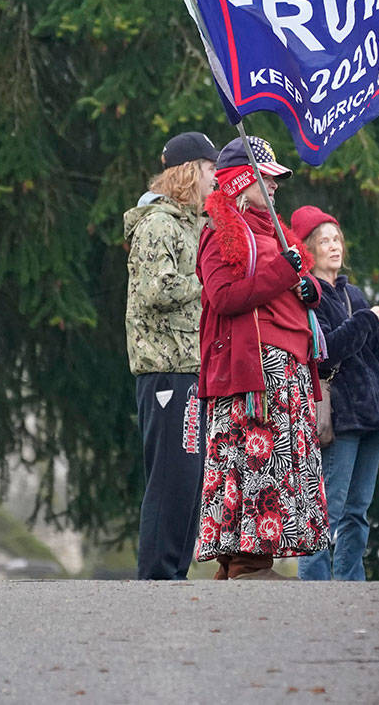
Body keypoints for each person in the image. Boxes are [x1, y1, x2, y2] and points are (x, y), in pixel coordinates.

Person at [194, 136, 328, 580]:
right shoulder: (220, 231)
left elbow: (289, 279)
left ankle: (239, 563)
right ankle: (248, 561)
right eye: (266, 179)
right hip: (254, 368)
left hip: (283, 364)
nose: (275, 188)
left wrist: (311, 288)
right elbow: (224, 295)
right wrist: (285, 272)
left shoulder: (272, 234)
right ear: (241, 180)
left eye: (276, 181)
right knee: (253, 458)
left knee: (266, 459)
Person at [290, 206, 379, 581]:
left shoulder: (352, 293)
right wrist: (364, 320)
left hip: (370, 414)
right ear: (308, 250)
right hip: (339, 415)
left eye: (337, 239)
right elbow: (325, 351)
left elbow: (372, 348)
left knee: (357, 510)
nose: (334, 247)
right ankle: (314, 584)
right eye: (324, 241)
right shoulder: (308, 295)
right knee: (328, 508)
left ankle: (351, 584)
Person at [124, 131, 219, 580]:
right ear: (189, 171)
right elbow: (154, 289)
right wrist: (212, 289)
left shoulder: (193, 224)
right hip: (164, 369)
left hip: (192, 368)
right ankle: (157, 577)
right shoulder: (158, 225)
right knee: (169, 478)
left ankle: (173, 573)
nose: (215, 179)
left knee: (190, 479)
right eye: (210, 169)